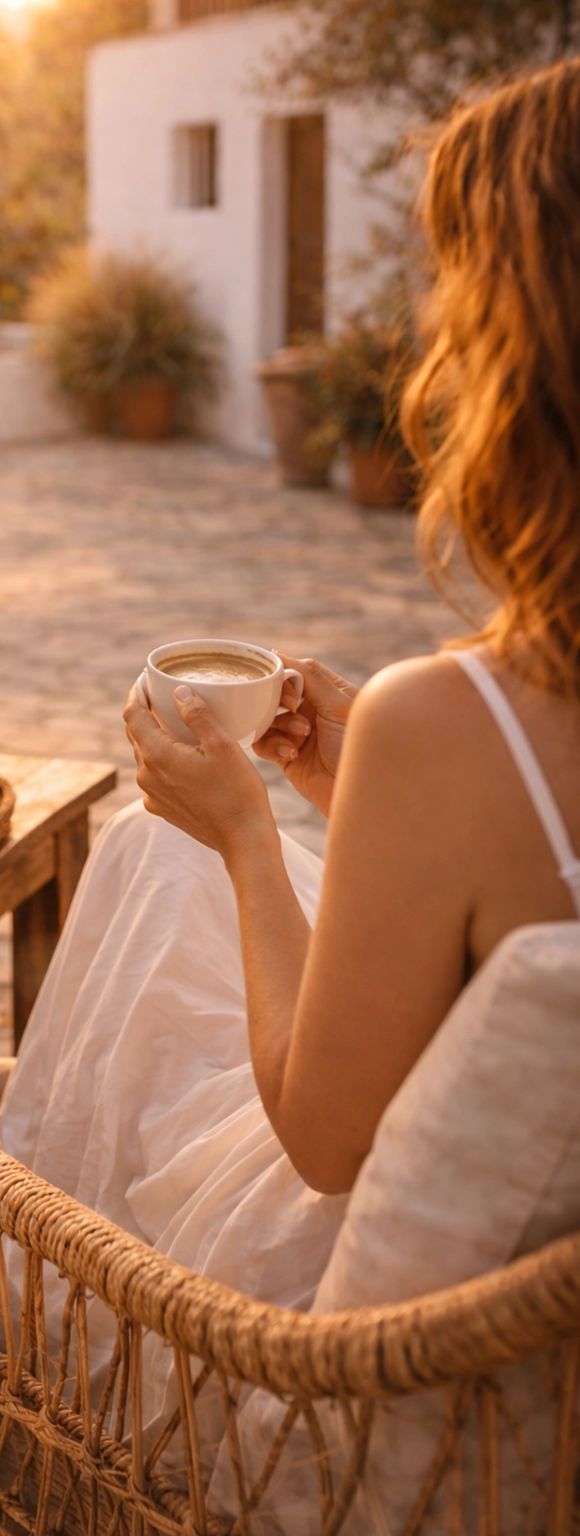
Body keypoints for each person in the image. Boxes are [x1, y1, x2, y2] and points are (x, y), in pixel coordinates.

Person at [1, 51, 580, 1524]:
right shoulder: (444, 732)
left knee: (156, 856)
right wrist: (360, 778)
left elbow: (326, 1144)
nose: (432, 324)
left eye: (454, 283)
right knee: (156, 865)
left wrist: (257, 831)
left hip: (339, 1354)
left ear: (517, 350)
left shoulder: (459, 721)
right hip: (517, 1305)